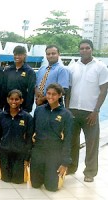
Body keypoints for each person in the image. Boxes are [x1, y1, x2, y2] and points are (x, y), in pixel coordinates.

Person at [66, 39, 108, 182]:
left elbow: (103, 90)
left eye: (87, 48)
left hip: (90, 112)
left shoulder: (100, 67)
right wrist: (67, 109)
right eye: (82, 48)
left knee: (91, 143)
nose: (84, 50)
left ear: (92, 49)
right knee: (72, 141)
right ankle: (71, 167)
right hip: (73, 111)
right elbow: (68, 90)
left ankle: (90, 172)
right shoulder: (72, 67)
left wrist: (96, 111)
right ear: (79, 50)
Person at [31, 83, 73, 191]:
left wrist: (65, 162)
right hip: (39, 150)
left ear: (59, 95)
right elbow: (32, 132)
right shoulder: (39, 110)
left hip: (54, 152)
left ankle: (55, 175)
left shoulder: (66, 115)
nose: (50, 96)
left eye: (54, 94)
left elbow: (68, 140)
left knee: (51, 188)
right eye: (48, 93)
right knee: (35, 185)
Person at [0, 89, 33, 183]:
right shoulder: (1, 116)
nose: (14, 102)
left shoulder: (27, 117)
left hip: (20, 154)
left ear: (21, 100)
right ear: (7, 100)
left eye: (16, 99)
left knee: (17, 181)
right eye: (11, 99)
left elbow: (29, 139)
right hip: (4, 152)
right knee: (5, 180)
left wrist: (27, 157)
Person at [0, 45, 36, 112]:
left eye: (19, 55)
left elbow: (31, 91)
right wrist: (1, 104)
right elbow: (3, 88)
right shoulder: (8, 70)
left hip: (22, 106)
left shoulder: (29, 71)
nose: (17, 57)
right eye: (15, 54)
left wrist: (28, 108)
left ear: (24, 55)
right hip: (8, 105)